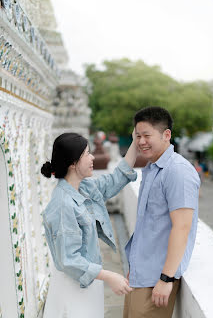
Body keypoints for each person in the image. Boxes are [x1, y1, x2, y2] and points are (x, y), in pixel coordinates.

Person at [41, 132, 138, 318]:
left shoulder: (84, 188)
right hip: (73, 288)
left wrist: (135, 141)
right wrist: (109, 276)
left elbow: (116, 178)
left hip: (88, 282)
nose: (92, 157)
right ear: (73, 163)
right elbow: (69, 260)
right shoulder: (62, 205)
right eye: (87, 154)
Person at [123, 107, 200, 318]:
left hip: (156, 281)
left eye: (147, 135)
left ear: (167, 135)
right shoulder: (152, 169)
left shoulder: (178, 172)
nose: (141, 141)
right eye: (137, 136)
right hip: (140, 276)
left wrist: (166, 279)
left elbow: (182, 227)